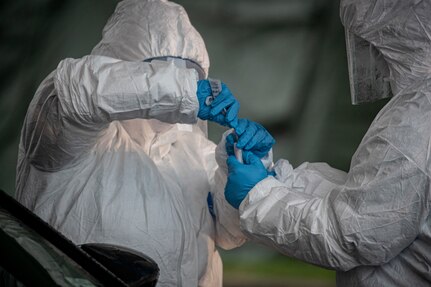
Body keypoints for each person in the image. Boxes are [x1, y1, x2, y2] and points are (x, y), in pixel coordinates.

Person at [15, 0, 275, 286]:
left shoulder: (194, 150)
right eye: (159, 70)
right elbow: (75, 92)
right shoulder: (71, 138)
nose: (177, 78)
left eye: (189, 73)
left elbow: (229, 235)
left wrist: (244, 168)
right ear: (120, 66)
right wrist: (181, 91)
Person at [224, 0, 431, 286]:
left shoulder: (418, 115)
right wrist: (278, 178)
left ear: (397, 29)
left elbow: (354, 234)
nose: (371, 54)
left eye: (373, 39)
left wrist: (259, 196)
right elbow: (379, 199)